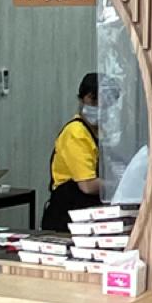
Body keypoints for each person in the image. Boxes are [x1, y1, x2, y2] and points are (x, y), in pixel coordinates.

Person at [42, 72, 118, 232]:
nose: (101, 108)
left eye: (107, 105)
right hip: (68, 217)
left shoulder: (100, 133)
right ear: (83, 99)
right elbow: (87, 185)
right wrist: (117, 185)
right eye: (94, 101)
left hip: (91, 215)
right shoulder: (76, 132)